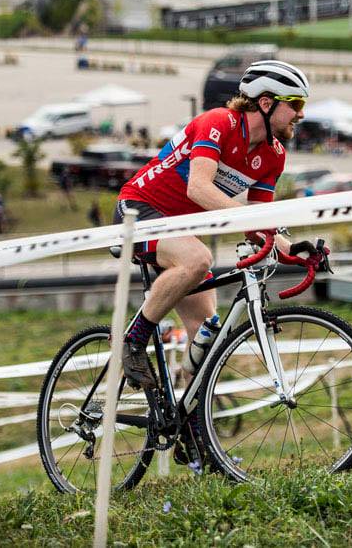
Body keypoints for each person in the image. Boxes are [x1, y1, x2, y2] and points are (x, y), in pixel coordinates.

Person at [114, 60, 327, 462]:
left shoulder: (273, 155)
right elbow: (198, 187)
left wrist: (293, 248)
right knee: (199, 259)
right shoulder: (219, 122)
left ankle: (192, 439)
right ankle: (133, 340)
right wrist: (256, 225)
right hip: (139, 210)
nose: (301, 114)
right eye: (295, 103)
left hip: (179, 230)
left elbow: (258, 223)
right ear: (265, 103)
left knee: (206, 338)